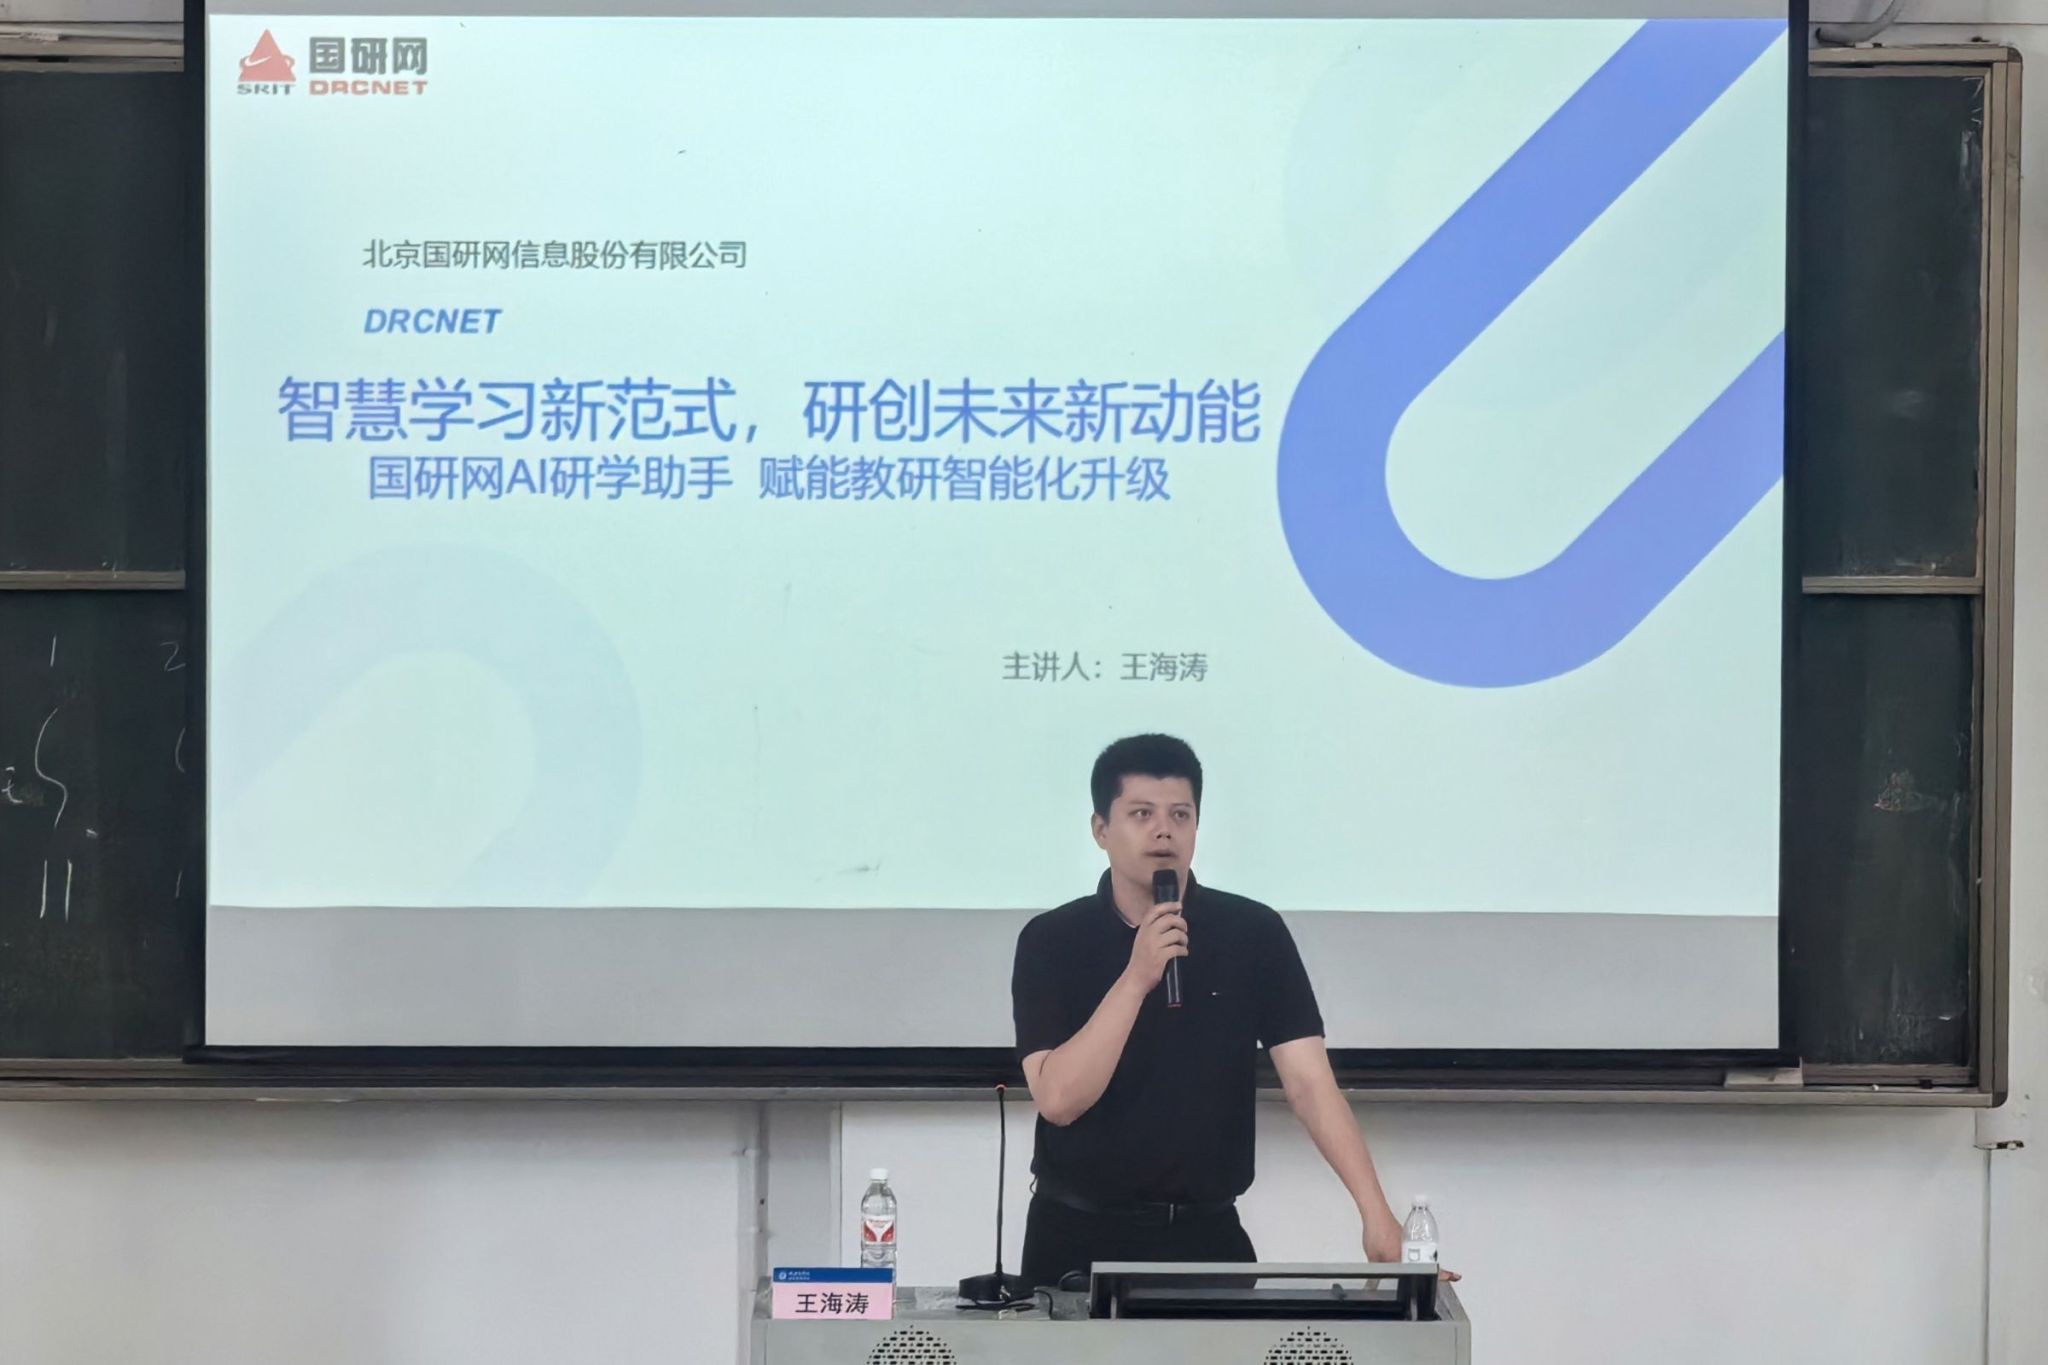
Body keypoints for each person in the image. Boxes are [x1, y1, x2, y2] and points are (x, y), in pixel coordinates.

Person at [1011, 733, 1408, 1290]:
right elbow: (1058, 1100)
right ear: (1101, 830)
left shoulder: (1252, 932)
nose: (1164, 831)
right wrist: (1137, 977)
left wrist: (1375, 1212)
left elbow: (1310, 1085)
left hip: (1207, 1238)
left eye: (1180, 814)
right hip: (1076, 1241)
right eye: (1142, 814)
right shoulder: (1052, 940)